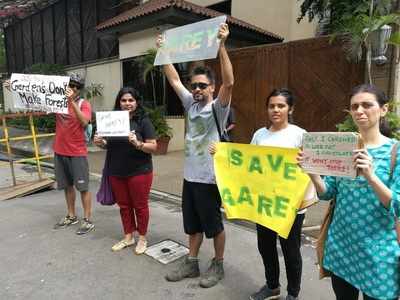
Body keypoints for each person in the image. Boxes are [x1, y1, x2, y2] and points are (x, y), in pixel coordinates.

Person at [298, 84, 400, 300]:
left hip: (378, 254)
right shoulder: (343, 147)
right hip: (341, 246)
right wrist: (313, 173)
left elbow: (397, 204)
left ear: (383, 109)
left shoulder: (395, 151)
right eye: (355, 106)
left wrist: (371, 176)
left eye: (366, 105)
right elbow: (327, 193)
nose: (359, 111)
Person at [159, 23, 234, 288]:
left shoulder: (219, 108)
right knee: (192, 224)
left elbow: (230, 81)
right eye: (195, 85)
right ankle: (191, 262)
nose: (197, 89)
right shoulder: (190, 104)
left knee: (214, 226)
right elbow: (174, 79)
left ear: (212, 87)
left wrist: (222, 45)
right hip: (190, 177)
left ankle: (218, 264)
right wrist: (164, 53)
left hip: (210, 178)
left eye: (203, 85)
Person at [249, 88, 307, 300]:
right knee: (265, 247)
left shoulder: (300, 135)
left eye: (281, 105)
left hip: (290, 205)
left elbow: (310, 170)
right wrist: (220, 154)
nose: (275, 110)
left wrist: (303, 200)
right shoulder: (259, 135)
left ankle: (293, 294)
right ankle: (272, 286)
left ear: (290, 109)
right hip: (264, 203)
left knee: (291, 251)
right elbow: (248, 165)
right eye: (272, 106)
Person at [93, 87, 157, 254]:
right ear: (119, 102)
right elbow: (107, 144)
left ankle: (142, 238)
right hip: (116, 171)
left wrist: (139, 144)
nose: (127, 103)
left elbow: (154, 146)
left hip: (139, 171)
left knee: (140, 206)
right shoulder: (111, 119)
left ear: (136, 102)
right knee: (124, 206)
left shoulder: (143, 121)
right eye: (124, 100)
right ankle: (128, 237)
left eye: (131, 100)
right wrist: (99, 142)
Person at [53, 73, 95, 235]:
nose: (74, 88)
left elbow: (85, 121)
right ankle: (71, 215)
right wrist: (14, 87)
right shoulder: (57, 101)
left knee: (83, 187)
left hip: (77, 152)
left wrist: (71, 102)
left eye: (77, 86)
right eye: (71, 85)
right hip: (60, 150)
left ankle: (87, 219)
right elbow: (36, 100)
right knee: (67, 185)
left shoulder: (84, 104)